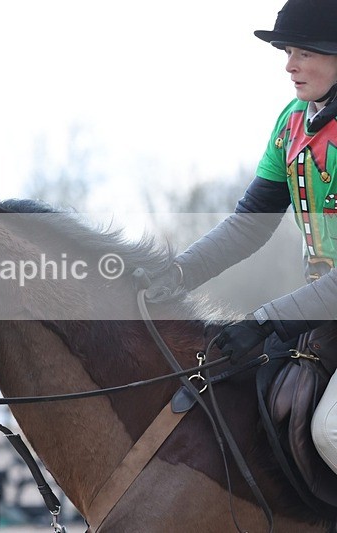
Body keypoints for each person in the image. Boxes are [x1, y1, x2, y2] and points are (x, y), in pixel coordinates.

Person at [145, 0, 337, 473]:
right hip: (323, 314)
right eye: (287, 51)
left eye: (305, 52)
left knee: (330, 430)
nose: (289, 65)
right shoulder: (290, 123)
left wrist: (267, 318)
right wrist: (175, 274)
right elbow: (248, 225)